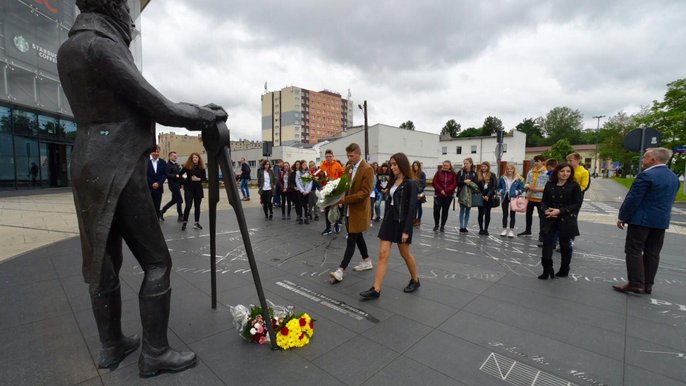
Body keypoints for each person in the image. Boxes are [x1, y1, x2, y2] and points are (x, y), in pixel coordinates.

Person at [57, 0, 225, 375]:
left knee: (104, 262)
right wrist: (205, 114)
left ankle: (111, 345)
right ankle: (155, 352)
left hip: (86, 162)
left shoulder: (68, 48)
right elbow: (159, 107)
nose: (127, 14)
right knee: (156, 261)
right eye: (122, 4)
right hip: (119, 162)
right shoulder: (101, 46)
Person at [613, 148, 679, 294]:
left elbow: (633, 199)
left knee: (633, 250)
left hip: (641, 220)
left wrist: (623, 216)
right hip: (661, 221)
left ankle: (636, 283)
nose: (642, 160)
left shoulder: (646, 176)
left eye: (644, 157)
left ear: (653, 160)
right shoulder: (673, 177)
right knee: (652, 253)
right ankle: (647, 284)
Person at [360, 153, 420, 299]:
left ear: (402, 164)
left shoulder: (410, 183)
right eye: (391, 164)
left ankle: (415, 280)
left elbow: (412, 208)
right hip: (389, 220)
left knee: (405, 254)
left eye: (394, 164)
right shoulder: (393, 181)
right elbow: (390, 202)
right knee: (382, 254)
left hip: (402, 222)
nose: (392, 167)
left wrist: (406, 230)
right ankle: (376, 289)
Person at [330, 143, 374, 282]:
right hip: (349, 209)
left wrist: (345, 199)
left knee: (352, 239)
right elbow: (344, 185)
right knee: (357, 235)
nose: (349, 158)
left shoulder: (367, 169)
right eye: (348, 156)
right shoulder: (348, 168)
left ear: (359, 154)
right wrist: (334, 192)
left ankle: (340, 270)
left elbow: (365, 192)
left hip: (358, 210)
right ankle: (367, 261)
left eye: (352, 156)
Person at [538, 163, 583, 279]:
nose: (565, 174)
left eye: (568, 171)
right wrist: (545, 210)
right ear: (557, 172)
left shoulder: (574, 186)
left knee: (565, 245)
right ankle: (547, 269)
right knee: (547, 243)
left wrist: (560, 211)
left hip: (566, 218)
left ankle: (564, 269)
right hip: (550, 218)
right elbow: (544, 201)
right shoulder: (549, 184)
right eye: (562, 171)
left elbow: (577, 203)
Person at [520, 155, 549, 246]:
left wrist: (537, 190)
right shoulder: (531, 171)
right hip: (529, 196)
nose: (536, 163)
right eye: (535, 161)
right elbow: (527, 182)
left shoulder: (546, 172)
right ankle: (528, 230)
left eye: (538, 161)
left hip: (540, 198)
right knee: (528, 214)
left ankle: (542, 234)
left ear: (543, 162)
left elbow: (548, 186)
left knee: (542, 217)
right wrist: (527, 186)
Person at [566, 152, 590, 248]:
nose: (568, 162)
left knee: (572, 218)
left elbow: (584, 186)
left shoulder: (584, 172)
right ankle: (560, 239)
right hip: (565, 196)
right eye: (567, 160)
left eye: (570, 160)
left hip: (576, 198)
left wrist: (571, 191)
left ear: (577, 160)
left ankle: (571, 239)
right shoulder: (568, 170)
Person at [320, 149, 344, 235]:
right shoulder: (322, 166)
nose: (328, 158)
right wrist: (322, 186)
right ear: (325, 157)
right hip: (326, 190)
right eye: (327, 157)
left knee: (335, 208)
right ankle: (328, 227)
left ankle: (336, 224)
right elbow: (320, 178)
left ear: (333, 156)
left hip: (335, 190)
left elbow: (342, 177)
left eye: (330, 156)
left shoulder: (337, 165)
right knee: (327, 209)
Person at [497, 163, 525, 238]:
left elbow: (522, 188)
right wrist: (501, 191)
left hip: (514, 197)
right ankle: (504, 229)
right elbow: (498, 187)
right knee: (505, 214)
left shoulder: (518, 178)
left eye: (511, 169)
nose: (509, 170)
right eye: (508, 169)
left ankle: (511, 230)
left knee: (513, 214)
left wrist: (516, 192)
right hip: (504, 197)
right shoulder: (503, 178)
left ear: (513, 170)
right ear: (506, 170)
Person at [180, 153, 207, 231]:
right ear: (191, 159)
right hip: (189, 188)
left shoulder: (201, 168)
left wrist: (198, 179)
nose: (195, 158)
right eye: (193, 157)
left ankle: (196, 223)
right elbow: (180, 174)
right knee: (188, 205)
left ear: (199, 158)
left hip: (198, 189)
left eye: (196, 157)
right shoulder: (187, 167)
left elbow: (204, 178)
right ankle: (185, 222)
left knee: (197, 206)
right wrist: (184, 182)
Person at [432, 160, 457, 232]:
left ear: (450, 166)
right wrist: (441, 190)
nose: (445, 166)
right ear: (442, 165)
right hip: (438, 194)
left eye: (447, 165)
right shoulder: (438, 172)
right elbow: (434, 182)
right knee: (436, 210)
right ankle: (436, 224)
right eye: (444, 165)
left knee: (445, 211)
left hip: (448, 195)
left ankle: (442, 225)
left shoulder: (453, 174)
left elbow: (454, 184)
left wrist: (446, 191)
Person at [456, 157, 478, 233]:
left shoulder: (474, 173)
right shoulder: (461, 172)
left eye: (467, 163)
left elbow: (476, 183)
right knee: (462, 210)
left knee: (468, 210)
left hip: (470, 194)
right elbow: (457, 182)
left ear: (471, 164)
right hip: (462, 194)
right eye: (464, 163)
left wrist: (470, 182)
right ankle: (461, 226)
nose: (465, 165)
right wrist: (464, 181)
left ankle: (465, 226)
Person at [161, 151, 184, 222]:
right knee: (180, 200)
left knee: (174, 200)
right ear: (170, 157)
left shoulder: (176, 165)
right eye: (173, 156)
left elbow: (179, 174)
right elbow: (167, 174)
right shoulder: (168, 165)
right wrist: (175, 176)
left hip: (177, 185)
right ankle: (180, 216)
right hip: (173, 185)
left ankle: (161, 212)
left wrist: (182, 182)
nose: (175, 157)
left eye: (176, 156)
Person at [476, 161, 497, 235]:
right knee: (480, 213)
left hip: (489, 197)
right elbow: (476, 187)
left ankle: (486, 229)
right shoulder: (478, 175)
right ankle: (481, 228)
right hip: (480, 196)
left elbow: (494, 186)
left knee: (488, 213)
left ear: (488, 167)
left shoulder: (492, 175)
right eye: (482, 166)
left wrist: (488, 195)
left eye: (485, 166)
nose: (483, 168)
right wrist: (481, 195)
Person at [147, 145, 167, 221]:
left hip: (159, 188)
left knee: (157, 206)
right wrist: (152, 183)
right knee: (149, 207)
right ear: (151, 152)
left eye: (157, 152)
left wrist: (159, 183)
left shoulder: (162, 162)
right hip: (149, 188)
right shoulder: (146, 161)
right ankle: (149, 222)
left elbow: (164, 175)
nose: (156, 153)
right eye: (154, 151)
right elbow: (144, 174)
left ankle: (156, 222)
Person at [295, 160, 312, 224]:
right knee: (301, 204)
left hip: (307, 191)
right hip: (301, 191)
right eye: (303, 165)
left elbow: (310, 182)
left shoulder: (308, 173)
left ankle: (306, 217)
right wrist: (302, 191)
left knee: (306, 204)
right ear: (301, 166)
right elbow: (297, 182)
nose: (304, 166)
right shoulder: (297, 173)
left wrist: (307, 191)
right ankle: (301, 218)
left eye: (305, 164)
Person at [412, 161, 427, 227]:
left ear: (419, 166)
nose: (415, 167)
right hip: (412, 192)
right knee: (413, 207)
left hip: (419, 193)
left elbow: (424, 183)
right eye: (414, 165)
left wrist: (418, 190)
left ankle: (419, 219)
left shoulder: (422, 173)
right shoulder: (411, 173)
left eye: (416, 165)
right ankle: (413, 219)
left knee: (419, 206)